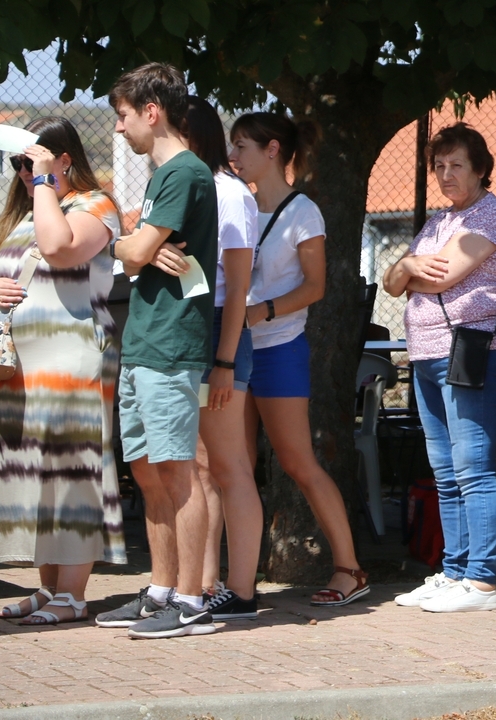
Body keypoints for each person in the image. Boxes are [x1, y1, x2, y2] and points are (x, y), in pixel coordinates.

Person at [0, 117, 125, 626]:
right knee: (35, 476)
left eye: (33, 161)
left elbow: (62, 250)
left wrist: (44, 182)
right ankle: (48, 588)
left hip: (71, 362)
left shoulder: (95, 205)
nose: (24, 172)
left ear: (65, 159)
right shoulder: (30, 213)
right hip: (18, 371)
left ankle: (74, 594)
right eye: (18, 163)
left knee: (71, 472)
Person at [97, 63, 219, 638]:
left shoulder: (185, 172)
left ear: (152, 111)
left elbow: (138, 248)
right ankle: (162, 590)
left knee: (178, 471)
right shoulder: (163, 175)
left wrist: (128, 244)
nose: (119, 128)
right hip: (143, 341)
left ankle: (192, 602)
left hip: (170, 344)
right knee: (148, 473)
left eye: (124, 116)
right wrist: (135, 248)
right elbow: (138, 251)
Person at [231, 112, 368, 608]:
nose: (232, 156)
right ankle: (235, 581)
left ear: (272, 150)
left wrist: (261, 311)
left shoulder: (302, 210)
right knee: (234, 465)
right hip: (234, 349)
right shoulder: (239, 206)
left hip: (279, 348)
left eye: (241, 146)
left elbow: (316, 287)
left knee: (297, 461)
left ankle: (350, 569)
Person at [384, 123, 496, 613]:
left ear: (480, 169)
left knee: (473, 467)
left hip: (469, 351)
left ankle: (481, 581)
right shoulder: (438, 221)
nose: (445, 174)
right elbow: (392, 282)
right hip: (425, 353)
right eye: (438, 166)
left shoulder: (492, 214)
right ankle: (454, 571)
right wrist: (407, 267)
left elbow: (442, 276)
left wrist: (412, 269)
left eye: (456, 164)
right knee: (444, 470)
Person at [171, 97, 263, 620]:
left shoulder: (229, 193)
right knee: (201, 467)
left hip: (220, 330)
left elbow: (239, 287)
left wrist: (225, 361)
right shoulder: (190, 185)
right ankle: (203, 585)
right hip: (192, 328)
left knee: (228, 467)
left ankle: (243, 590)